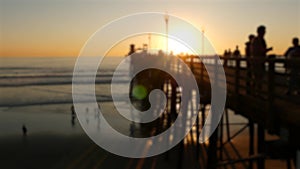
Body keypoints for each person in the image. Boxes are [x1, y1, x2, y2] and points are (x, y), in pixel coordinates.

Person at [251, 25, 273, 95]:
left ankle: (256, 92)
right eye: (263, 31)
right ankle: (256, 93)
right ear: (259, 32)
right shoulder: (256, 40)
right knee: (258, 78)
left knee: (259, 78)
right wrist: (268, 50)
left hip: (261, 61)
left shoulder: (262, 40)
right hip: (257, 62)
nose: (264, 32)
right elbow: (257, 51)